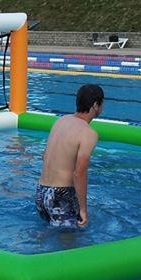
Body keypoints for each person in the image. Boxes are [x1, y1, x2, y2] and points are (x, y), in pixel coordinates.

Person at [35, 84, 104, 230]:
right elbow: (79, 173)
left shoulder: (61, 121)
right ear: (95, 105)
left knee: (46, 234)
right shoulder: (88, 133)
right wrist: (83, 209)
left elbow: (44, 156)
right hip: (61, 195)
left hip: (41, 192)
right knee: (70, 240)